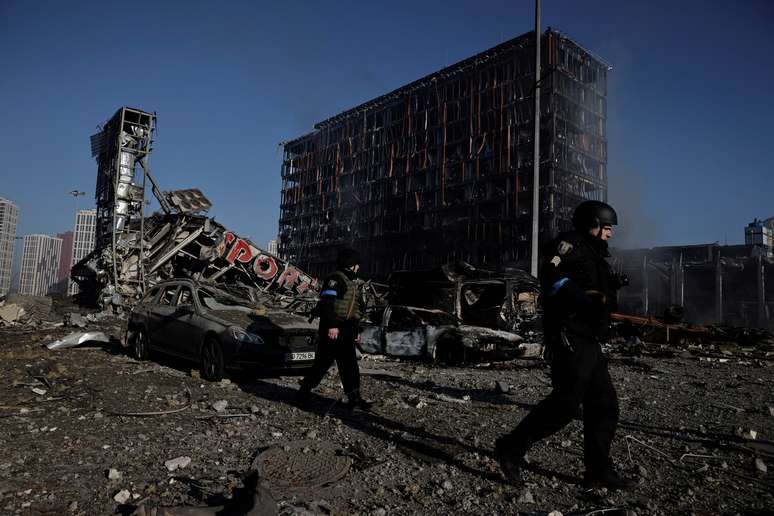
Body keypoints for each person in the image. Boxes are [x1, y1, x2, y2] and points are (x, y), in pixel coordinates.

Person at [495, 200, 635, 490]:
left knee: (604, 405)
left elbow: (596, 290)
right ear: (592, 224)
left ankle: (598, 470)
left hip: (590, 339)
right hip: (569, 335)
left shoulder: (596, 253)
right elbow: (551, 278)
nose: (610, 234)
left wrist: (612, 287)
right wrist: (586, 301)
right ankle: (510, 448)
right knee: (565, 405)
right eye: (606, 228)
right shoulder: (568, 245)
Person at [296, 248, 373, 410]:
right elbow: (327, 303)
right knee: (322, 363)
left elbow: (353, 310)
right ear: (351, 265)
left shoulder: (352, 282)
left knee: (350, 365)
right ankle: (303, 394)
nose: (358, 267)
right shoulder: (335, 280)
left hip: (346, 329)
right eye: (356, 264)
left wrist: (355, 331)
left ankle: (354, 399)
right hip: (332, 328)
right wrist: (332, 325)